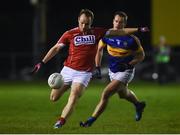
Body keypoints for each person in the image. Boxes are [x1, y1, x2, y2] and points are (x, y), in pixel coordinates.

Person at [32, 9, 148, 128]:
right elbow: (56, 48)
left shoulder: (97, 32)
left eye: (87, 23)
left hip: (84, 73)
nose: (84, 26)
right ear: (78, 20)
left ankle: (61, 121)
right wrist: (42, 62)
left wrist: (138, 29)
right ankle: (138, 104)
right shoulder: (70, 33)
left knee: (74, 96)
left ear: (91, 22)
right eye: (82, 23)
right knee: (53, 98)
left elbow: (120, 32)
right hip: (68, 69)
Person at [80, 11, 146, 127]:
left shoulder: (132, 40)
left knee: (106, 94)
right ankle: (138, 104)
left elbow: (141, 56)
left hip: (126, 71)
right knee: (123, 94)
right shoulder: (107, 35)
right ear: (113, 21)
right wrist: (98, 67)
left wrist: (129, 64)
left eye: (120, 22)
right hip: (113, 71)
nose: (117, 24)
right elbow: (99, 49)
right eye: (116, 21)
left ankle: (90, 121)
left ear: (125, 24)